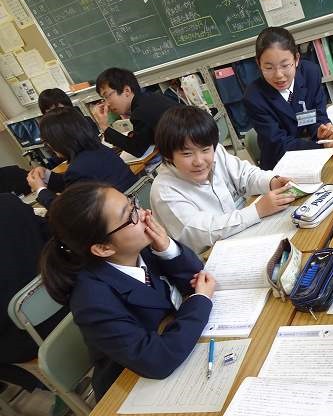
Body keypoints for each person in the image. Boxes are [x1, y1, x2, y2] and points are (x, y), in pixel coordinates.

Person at [40, 182, 214, 400]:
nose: (144, 213)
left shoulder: (137, 249)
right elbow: (157, 361)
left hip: (175, 342)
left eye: (134, 204)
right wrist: (199, 301)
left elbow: (197, 278)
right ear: (103, 248)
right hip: (130, 387)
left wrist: (167, 249)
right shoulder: (92, 301)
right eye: (131, 215)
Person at [150, 106, 295, 254]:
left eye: (205, 150)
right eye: (187, 154)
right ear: (168, 155)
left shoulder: (215, 151)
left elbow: (245, 174)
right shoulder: (164, 190)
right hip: (209, 257)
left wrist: (271, 182)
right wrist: (257, 211)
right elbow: (202, 233)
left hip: (240, 235)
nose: (199, 161)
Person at [243, 26, 333, 170]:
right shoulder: (254, 97)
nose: (278, 75)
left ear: (296, 59)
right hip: (282, 164)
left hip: (316, 150)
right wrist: (322, 148)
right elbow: (278, 144)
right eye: (269, 68)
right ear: (258, 64)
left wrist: (323, 131)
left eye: (285, 65)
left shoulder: (310, 73)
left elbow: (318, 114)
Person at [0, 193, 66, 392]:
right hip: (66, 301)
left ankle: (46, 385)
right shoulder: (8, 202)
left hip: (27, 338)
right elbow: (53, 236)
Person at [26, 107, 137, 208]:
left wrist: (40, 190)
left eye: (47, 142)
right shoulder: (99, 149)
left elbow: (68, 213)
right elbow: (75, 184)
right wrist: (47, 176)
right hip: (133, 206)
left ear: (58, 140)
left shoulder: (77, 169)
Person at [93, 67, 179, 157]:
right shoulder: (149, 97)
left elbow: (137, 149)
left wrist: (104, 126)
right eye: (104, 99)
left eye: (107, 96)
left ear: (127, 91)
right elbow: (146, 135)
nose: (107, 104)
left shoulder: (140, 112)